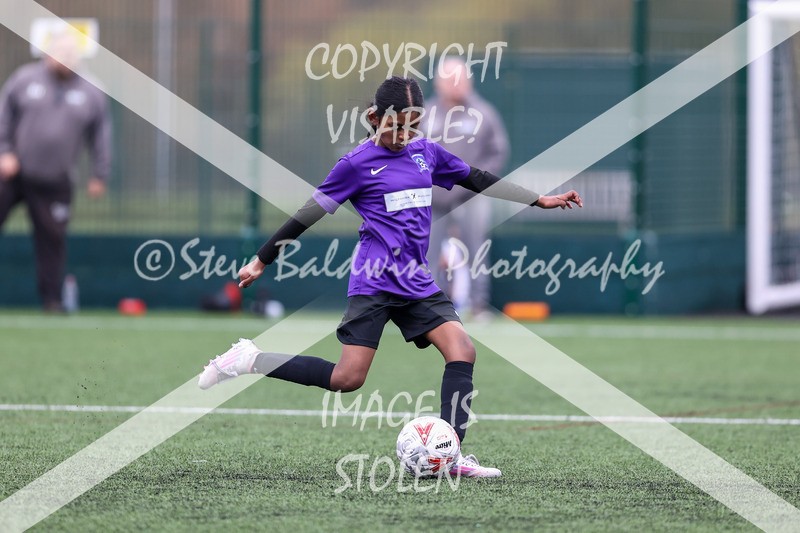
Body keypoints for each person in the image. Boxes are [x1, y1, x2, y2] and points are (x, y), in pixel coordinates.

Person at [198, 77, 582, 478]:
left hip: (415, 280)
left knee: (462, 349)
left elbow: (476, 176)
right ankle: (249, 359)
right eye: (396, 126)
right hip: (375, 281)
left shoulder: (426, 153)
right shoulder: (355, 164)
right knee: (347, 378)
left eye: (412, 127)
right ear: (373, 117)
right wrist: (261, 260)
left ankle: (450, 457)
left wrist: (537, 199)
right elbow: (308, 213)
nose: (403, 135)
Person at [0, 29, 111, 312]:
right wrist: (4, 152)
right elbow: (3, 118)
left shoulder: (91, 91)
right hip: (13, 174)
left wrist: (100, 174)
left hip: (55, 181)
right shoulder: (23, 80)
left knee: (52, 241)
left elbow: (101, 135)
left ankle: (51, 300)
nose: (63, 63)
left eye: (69, 58)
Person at [424, 57, 509, 319]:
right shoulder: (425, 114)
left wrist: (473, 181)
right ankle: (432, 307)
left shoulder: (484, 113)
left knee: (476, 248)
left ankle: (478, 305)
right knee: (428, 250)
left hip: (471, 195)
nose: (456, 84)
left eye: (460, 78)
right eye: (450, 79)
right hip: (433, 197)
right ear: (438, 83)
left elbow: (498, 153)